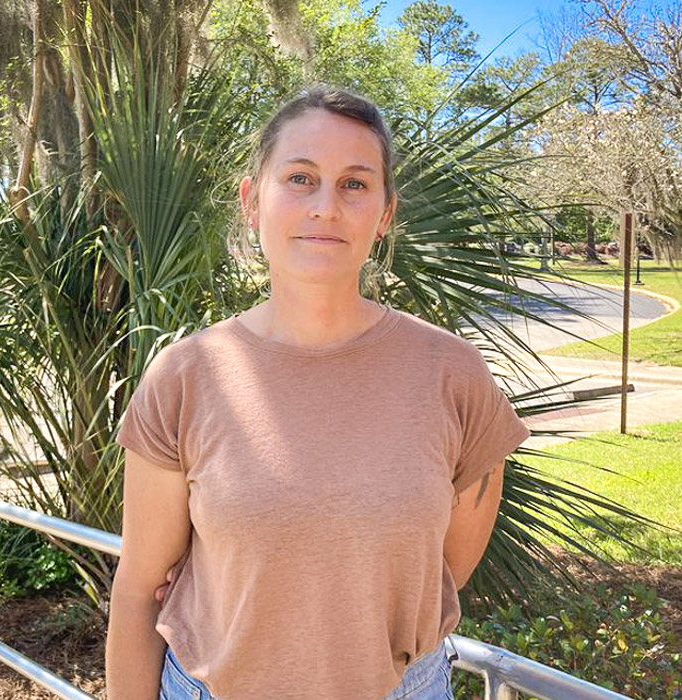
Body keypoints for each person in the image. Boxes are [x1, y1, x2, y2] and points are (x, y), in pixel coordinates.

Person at [106, 84, 531, 700]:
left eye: (355, 184)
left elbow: (443, 572)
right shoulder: (184, 377)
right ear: (253, 201)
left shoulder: (452, 374)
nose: (325, 206)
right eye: (300, 178)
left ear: (385, 214)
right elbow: (140, 587)